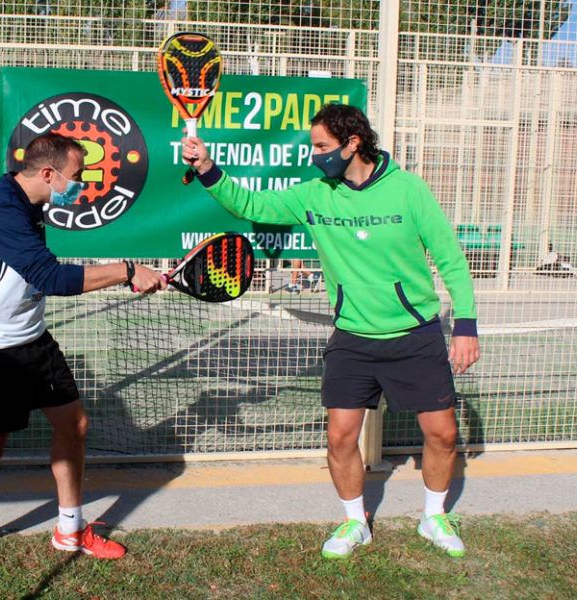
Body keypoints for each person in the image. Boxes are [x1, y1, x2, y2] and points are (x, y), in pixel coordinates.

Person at [182, 104, 480, 559]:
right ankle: (354, 522)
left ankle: (434, 516)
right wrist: (206, 168)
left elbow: (451, 259)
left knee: (441, 434)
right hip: (352, 339)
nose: (315, 155)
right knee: (341, 437)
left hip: (414, 335)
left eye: (321, 146)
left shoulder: (408, 190)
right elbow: (251, 205)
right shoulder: (315, 194)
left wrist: (465, 327)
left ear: (353, 143)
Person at [0, 132, 167, 586]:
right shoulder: (1, 208)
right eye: (77, 176)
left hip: (30, 337)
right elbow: (49, 276)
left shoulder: (31, 201)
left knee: (74, 425)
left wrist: (123, 274)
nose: (82, 185)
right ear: (48, 173)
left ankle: (69, 530)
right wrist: (127, 271)